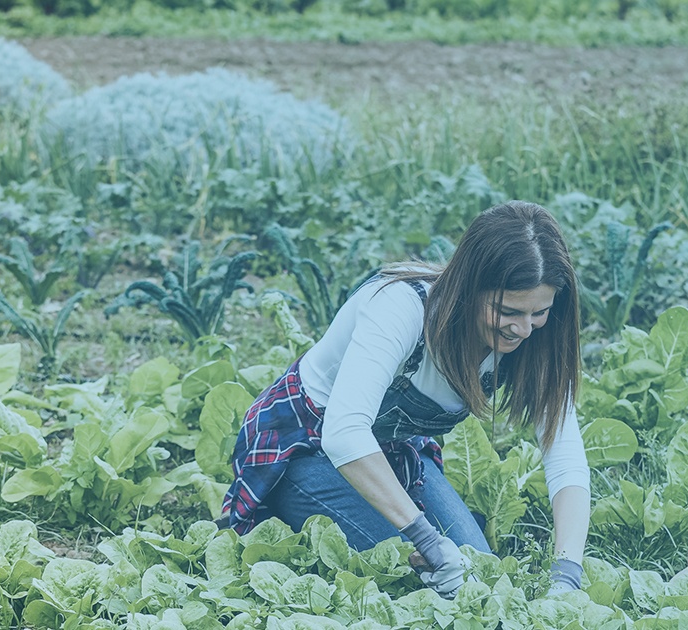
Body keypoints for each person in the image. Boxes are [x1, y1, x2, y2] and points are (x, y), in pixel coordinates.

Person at [220, 201, 591, 599]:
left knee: (477, 572)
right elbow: (344, 432)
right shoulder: (400, 307)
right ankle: (287, 507)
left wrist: (567, 571)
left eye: (540, 313)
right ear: (468, 288)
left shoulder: (536, 336)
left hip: (393, 454)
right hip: (302, 447)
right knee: (433, 583)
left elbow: (565, 455)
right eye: (508, 311)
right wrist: (425, 539)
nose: (523, 329)